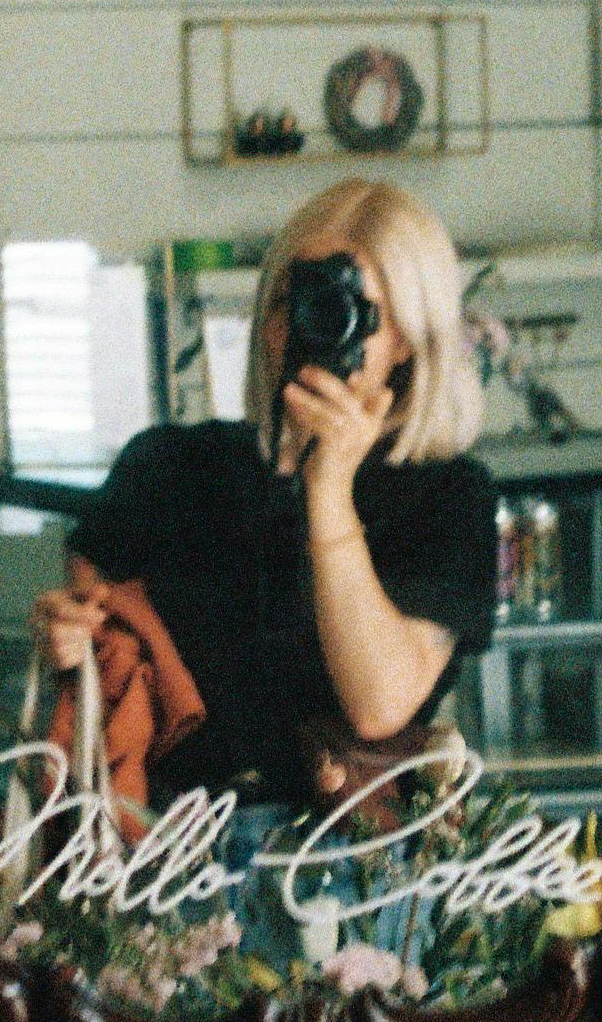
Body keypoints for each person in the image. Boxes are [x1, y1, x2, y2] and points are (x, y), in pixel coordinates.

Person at [28, 178, 498, 820]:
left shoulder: (447, 496)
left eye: (347, 308)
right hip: (165, 854)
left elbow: (378, 705)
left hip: (352, 865)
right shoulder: (165, 467)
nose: (306, 330)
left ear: (407, 340)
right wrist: (68, 641)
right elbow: (103, 667)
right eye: (291, 300)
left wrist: (328, 489)